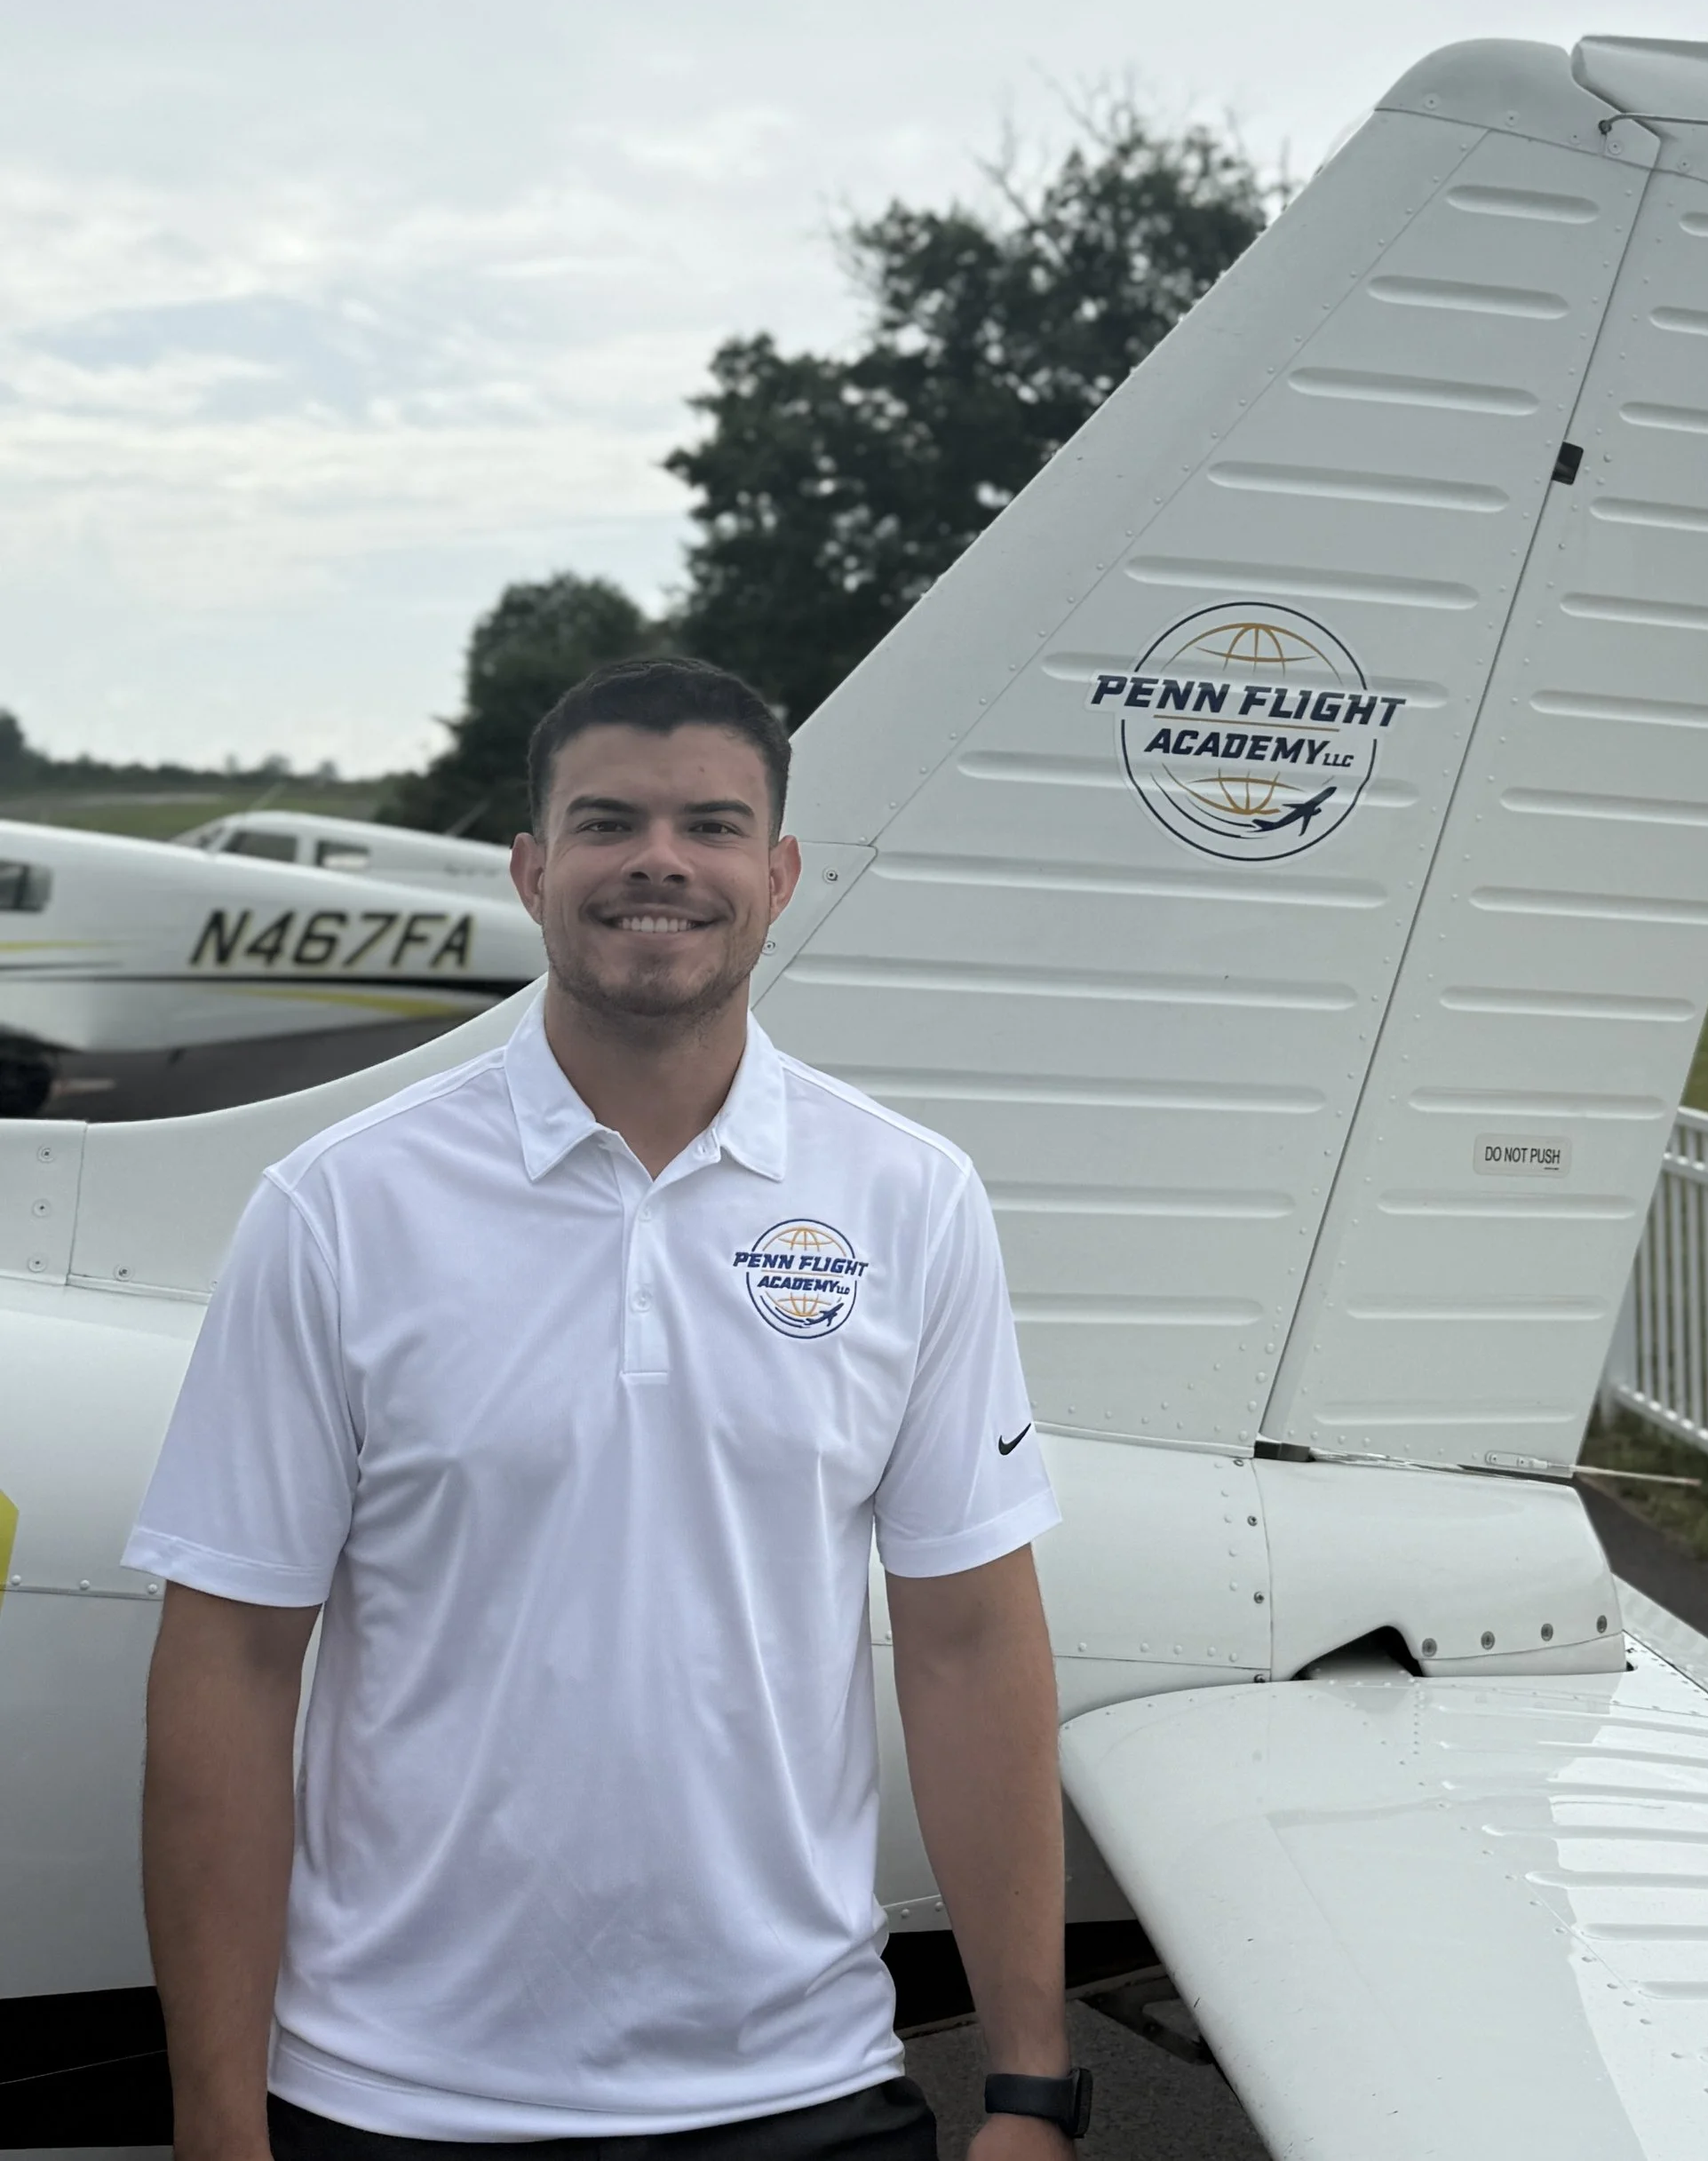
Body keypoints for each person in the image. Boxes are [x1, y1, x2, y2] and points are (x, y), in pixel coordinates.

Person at [131, 656, 1087, 2161]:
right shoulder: (339, 1209)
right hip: (395, 2101)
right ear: (531, 869)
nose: (661, 860)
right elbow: (231, 1665)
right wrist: (216, 2126)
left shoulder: (911, 1200)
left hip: (807, 2092)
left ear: (778, 875)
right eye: (607, 822)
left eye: (712, 824)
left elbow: (969, 1642)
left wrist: (1033, 2081)